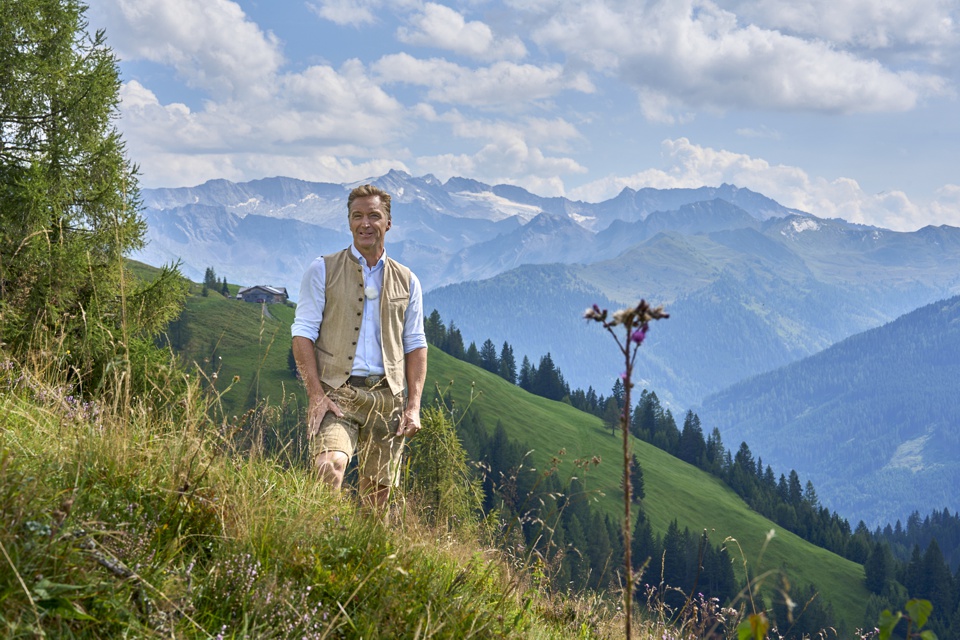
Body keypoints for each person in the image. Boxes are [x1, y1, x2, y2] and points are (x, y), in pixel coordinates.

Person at [291, 184, 427, 510]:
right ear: (349, 222)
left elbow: (416, 344)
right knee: (328, 467)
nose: (365, 223)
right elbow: (302, 334)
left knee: (377, 498)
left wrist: (413, 405)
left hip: (387, 397)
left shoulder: (408, 280)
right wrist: (315, 394)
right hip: (338, 392)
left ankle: (360, 559)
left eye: (374, 216)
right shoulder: (322, 269)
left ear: (388, 223)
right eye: (357, 216)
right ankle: (319, 548)